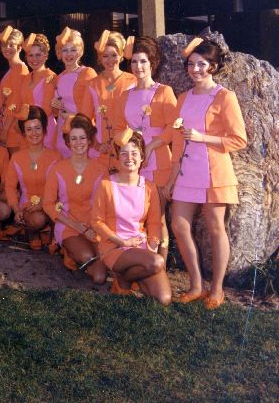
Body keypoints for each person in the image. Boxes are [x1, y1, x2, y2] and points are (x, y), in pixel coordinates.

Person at [163, 38, 247, 309]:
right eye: (191, 64)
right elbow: (177, 140)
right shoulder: (183, 99)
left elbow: (238, 139)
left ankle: (217, 289)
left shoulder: (225, 96)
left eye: (202, 64)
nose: (195, 69)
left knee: (215, 228)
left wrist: (203, 137)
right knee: (179, 225)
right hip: (187, 172)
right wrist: (172, 178)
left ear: (213, 66)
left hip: (214, 173)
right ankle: (196, 284)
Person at [91, 128, 171, 305]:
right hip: (114, 246)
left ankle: (127, 278)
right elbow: (96, 222)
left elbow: (154, 223)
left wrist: (151, 246)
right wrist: (122, 242)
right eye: (124, 154)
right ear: (118, 158)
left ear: (142, 157)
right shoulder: (106, 185)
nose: (129, 158)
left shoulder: (150, 188)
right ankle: (127, 279)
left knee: (163, 299)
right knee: (157, 263)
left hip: (141, 247)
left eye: (134, 153)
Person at [114, 36, 177, 261]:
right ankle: (143, 260)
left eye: (143, 62)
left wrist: (151, 145)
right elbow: (118, 128)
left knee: (158, 217)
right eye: (134, 62)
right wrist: (128, 143)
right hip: (134, 161)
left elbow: (174, 127)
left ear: (153, 63)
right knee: (138, 214)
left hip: (158, 160)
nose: (138, 67)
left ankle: (160, 262)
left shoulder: (164, 92)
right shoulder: (124, 95)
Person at [43, 114, 107, 283]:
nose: (78, 143)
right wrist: (76, 226)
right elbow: (48, 204)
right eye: (74, 139)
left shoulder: (101, 169)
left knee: (101, 274)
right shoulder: (58, 169)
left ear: (89, 140)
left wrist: (96, 227)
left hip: (94, 227)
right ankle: (69, 250)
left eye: (82, 138)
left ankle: (80, 255)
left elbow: (106, 205)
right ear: (68, 142)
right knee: (95, 270)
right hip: (68, 226)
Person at [5, 106, 61, 250]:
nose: (34, 133)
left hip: (51, 203)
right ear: (23, 132)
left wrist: (43, 202)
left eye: (37, 128)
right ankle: (32, 231)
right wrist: (16, 210)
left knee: (57, 212)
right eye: (29, 129)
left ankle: (53, 233)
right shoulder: (17, 158)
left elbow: (60, 188)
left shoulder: (55, 157)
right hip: (28, 207)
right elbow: (10, 186)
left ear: (44, 130)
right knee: (37, 219)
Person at [81, 30, 137, 171]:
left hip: (126, 151)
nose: (110, 60)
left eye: (114, 55)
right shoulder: (92, 84)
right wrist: (96, 144)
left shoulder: (133, 81)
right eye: (105, 56)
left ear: (122, 55)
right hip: (100, 152)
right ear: (100, 57)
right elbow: (85, 121)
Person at [50, 27, 97, 158]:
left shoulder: (87, 73)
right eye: (65, 50)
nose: (69, 54)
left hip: (81, 130)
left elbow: (94, 105)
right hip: (62, 130)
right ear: (59, 53)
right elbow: (56, 111)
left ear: (80, 52)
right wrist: (54, 105)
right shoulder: (58, 77)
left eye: (73, 50)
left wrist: (73, 116)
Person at [18, 33, 58, 149]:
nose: (34, 59)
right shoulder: (26, 77)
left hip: (45, 129)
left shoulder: (51, 77)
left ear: (45, 55)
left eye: (38, 55)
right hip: (28, 130)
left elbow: (47, 108)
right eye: (30, 55)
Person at [0, 26, 30, 153]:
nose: (7, 48)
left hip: (13, 127)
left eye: (11, 45)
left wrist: (6, 129)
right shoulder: (12, 69)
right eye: (4, 45)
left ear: (19, 47)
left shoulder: (20, 69)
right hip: (6, 123)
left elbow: (16, 102)